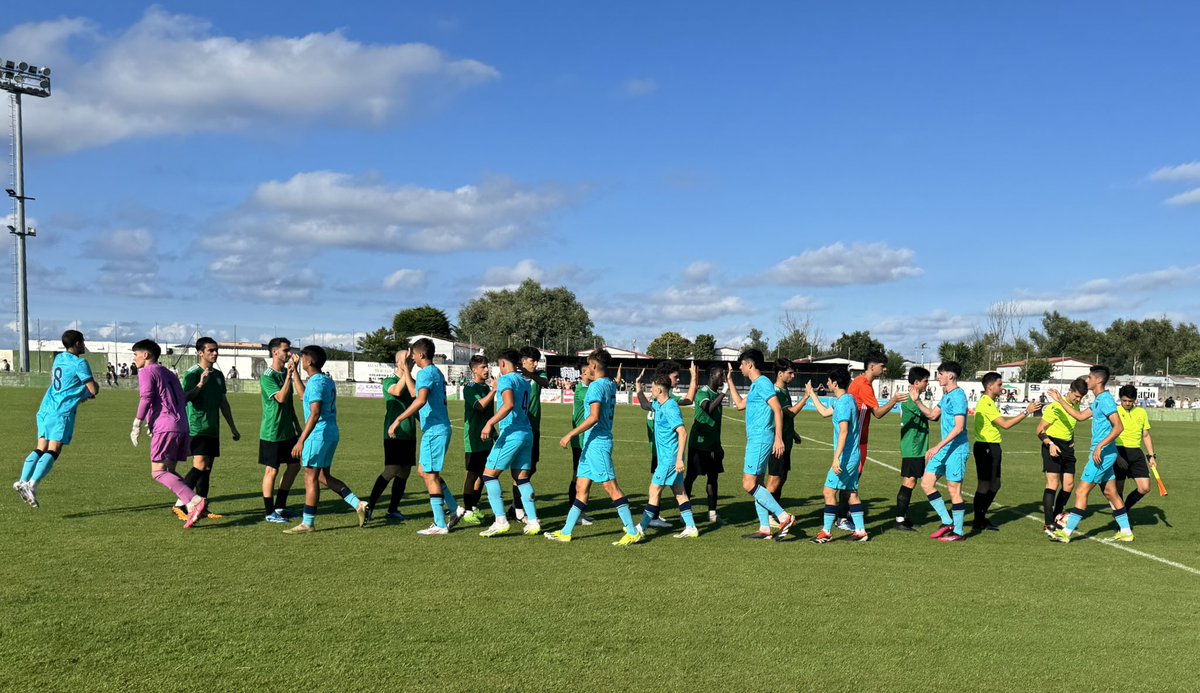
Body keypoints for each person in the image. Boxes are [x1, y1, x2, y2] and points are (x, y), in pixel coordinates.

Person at [544, 349, 643, 544]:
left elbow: (594, 417)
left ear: (594, 366)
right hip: (591, 444)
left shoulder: (597, 387)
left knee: (611, 487)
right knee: (581, 487)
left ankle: (632, 531)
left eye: (588, 366)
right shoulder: (609, 385)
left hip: (598, 443)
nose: (586, 369)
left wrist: (570, 434)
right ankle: (566, 531)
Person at [282, 345, 368, 534]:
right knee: (323, 476)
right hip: (330, 433)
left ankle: (308, 522)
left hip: (317, 435)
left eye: (302, 358)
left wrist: (300, 440)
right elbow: (303, 396)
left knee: (310, 477)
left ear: (309, 361)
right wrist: (294, 372)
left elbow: (314, 413)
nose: (300, 360)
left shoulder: (315, 383)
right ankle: (358, 504)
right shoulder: (325, 380)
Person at [13, 330, 99, 508]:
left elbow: (66, 384)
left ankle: (22, 481)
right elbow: (93, 389)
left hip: (46, 408)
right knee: (54, 449)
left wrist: (79, 394)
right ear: (76, 344)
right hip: (61, 411)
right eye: (82, 342)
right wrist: (87, 393)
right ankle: (32, 485)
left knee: (40, 447)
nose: (84, 346)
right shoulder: (80, 363)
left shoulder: (59, 358)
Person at [388, 338, 462, 536]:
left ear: (420, 354)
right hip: (438, 428)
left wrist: (398, 419)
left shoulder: (426, 373)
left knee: (429, 475)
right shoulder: (433, 372)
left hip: (435, 430)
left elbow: (419, 400)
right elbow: (414, 392)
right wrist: (406, 370)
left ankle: (439, 523)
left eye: (413, 354)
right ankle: (455, 508)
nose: (411, 357)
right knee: (424, 471)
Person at [129, 339, 207, 528]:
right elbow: (178, 398)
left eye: (135, 354)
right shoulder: (167, 372)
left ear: (145, 355)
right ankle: (190, 505)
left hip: (167, 426)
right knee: (169, 471)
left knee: (158, 472)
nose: (134, 358)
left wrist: (137, 423)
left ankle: (195, 501)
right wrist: (153, 422)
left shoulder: (147, 371)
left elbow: (146, 397)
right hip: (181, 426)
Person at [1049, 366, 1131, 542]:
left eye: (1090, 377)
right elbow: (1079, 416)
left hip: (1101, 455)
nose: (1087, 380)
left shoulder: (1107, 400)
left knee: (1081, 491)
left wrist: (1100, 446)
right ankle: (1126, 532)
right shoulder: (1099, 400)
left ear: (1098, 380)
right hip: (1103, 453)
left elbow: (1119, 427)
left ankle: (1066, 532)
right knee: (1110, 492)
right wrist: (1060, 400)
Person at [726, 349, 796, 540]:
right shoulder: (757, 385)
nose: (740, 368)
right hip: (756, 439)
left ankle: (784, 517)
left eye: (741, 364)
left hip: (761, 439)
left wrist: (779, 438)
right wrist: (730, 381)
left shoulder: (763, 383)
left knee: (748, 484)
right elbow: (740, 405)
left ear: (749, 364)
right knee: (758, 484)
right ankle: (765, 528)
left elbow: (777, 409)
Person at [835, 352, 904, 530]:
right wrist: (894, 400)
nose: (885, 368)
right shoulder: (864, 386)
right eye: (882, 365)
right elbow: (878, 413)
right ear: (872, 366)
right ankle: (842, 518)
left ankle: (844, 515)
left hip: (857, 439)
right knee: (851, 480)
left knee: (850, 479)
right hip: (857, 441)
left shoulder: (858, 382)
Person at [175, 337, 240, 520]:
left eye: (216, 350)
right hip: (197, 428)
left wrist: (232, 428)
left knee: (207, 469)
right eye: (211, 350)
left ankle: (201, 507)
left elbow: (223, 403)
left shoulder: (219, 376)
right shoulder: (192, 374)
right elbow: (184, 398)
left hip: (213, 428)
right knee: (200, 466)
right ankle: (180, 503)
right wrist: (200, 385)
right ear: (200, 353)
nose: (215, 353)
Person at [478, 349, 540, 537]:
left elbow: (508, 404)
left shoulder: (506, 380)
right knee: (521, 479)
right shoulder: (525, 381)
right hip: (526, 433)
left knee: (489, 475)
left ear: (503, 364)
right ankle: (533, 521)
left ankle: (500, 520)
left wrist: (489, 423)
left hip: (512, 433)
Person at [907, 361, 969, 541]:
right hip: (945, 448)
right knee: (926, 483)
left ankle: (958, 532)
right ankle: (947, 521)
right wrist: (917, 400)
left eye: (940, 374)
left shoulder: (958, 396)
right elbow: (933, 415)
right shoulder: (947, 395)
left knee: (954, 490)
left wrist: (936, 446)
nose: (938, 377)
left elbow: (959, 428)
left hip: (957, 449)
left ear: (950, 376)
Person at [971, 372, 1040, 532]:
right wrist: (1026, 412)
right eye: (1000, 384)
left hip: (993, 446)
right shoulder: (986, 403)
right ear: (990, 386)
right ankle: (978, 520)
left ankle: (981, 517)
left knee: (995, 483)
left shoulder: (989, 402)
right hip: (985, 446)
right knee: (984, 485)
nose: (1002, 387)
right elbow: (1005, 425)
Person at [634, 360, 699, 528]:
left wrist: (679, 460)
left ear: (660, 388)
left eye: (653, 387)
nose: (652, 390)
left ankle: (641, 528)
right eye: (676, 377)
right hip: (664, 455)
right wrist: (638, 386)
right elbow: (644, 404)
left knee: (654, 491)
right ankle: (691, 527)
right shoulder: (659, 403)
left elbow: (682, 431)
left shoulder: (670, 404)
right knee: (680, 492)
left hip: (669, 458)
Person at [808, 366, 867, 543]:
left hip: (846, 457)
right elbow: (825, 413)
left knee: (828, 491)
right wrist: (811, 394)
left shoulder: (843, 403)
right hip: (853, 455)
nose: (826, 384)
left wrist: (836, 458)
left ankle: (826, 531)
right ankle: (861, 531)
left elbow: (843, 431)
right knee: (851, 494)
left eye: (828, 381)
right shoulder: (848, 399)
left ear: (834, 383)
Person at [365, 350, 419, 523]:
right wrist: (406, 370)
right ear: (398, 362)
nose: (411, 360)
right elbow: (396, 391)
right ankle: (369, 507)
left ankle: (393, 509)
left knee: (404, 472)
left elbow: (416, 403)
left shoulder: (412, 382)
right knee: (391, 470)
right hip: (394, 433)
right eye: (407, 358)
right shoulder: (389, 381)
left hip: (409, 433)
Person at [259, 338, 304, 523]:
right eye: (285, 350)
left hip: (288, 431)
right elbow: (281, 398)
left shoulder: (286, 372)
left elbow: (291, 404)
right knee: (272, 470)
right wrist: (288, 376)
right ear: (275, 352)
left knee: (294, 466)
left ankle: (280, 506)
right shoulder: (267, 376)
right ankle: (269, 512)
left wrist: (297, 425)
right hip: (272, 431)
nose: (288, 353)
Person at [1036, 377, 1088, 535]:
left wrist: (1071, 441)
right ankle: (1048, 523)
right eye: (1076, 396)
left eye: (1081, 397)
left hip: (1067, 447)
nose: (1078, 399)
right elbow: (1039, 430)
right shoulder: (1055, 407)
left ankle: (1057, 515)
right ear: (1070, 391)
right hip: (1052, 444)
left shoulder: (1075, 406)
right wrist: (1050, 444)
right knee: (1052, 483)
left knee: (1069, 485)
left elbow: (1070, 426)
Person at [686, 366, 727, 524]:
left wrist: (719, 445)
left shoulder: (716, 394)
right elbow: (708, 409)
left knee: (713, 479)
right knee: (691, 477)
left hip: (714, 446)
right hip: (699, 445)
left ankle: (712, 514)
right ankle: (686, 513)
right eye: (720, 375)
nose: (723, 378)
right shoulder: (703, 392)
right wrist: (724, 392)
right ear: (711, 375)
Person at [459, 354, 496, 526]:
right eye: (483, 367)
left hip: (487, 439)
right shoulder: (469, 388)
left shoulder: (486, 389)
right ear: (474, 370)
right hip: (473, 439)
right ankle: (467, 510)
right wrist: (494, 391)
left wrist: (494, 433)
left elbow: (489, 415)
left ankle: (474, 506)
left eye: (487, 366)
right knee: (472, 475)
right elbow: (480, 407)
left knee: (484, 474)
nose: (487, 369)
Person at [893, 366, 931, 531]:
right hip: (913, 448)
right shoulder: (911, 400)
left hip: (916, 447)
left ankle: (903, 517)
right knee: (909, 481)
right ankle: (900, 519)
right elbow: (931, 414)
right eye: (925, 381)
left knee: (911, 481)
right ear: (916, 382)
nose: (927, 384)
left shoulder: (914, 399)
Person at [767, 358, 807, 512]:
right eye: (790, 373)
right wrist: (805, 397)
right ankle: (768, 515)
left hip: (786, 442)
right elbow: (789, 413)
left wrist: (793, 433)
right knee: (774, 480)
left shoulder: (784, 390)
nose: (793, 376)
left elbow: (785, 419)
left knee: (782, 478)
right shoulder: (775, 392)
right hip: (777, 444)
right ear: (780, 373)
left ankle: (776, 510)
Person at [516, 346, 549, 523]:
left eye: (537, 361)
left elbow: (545, 383)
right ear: (523, 361)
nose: (535, 364)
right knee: (521, 470)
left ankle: (516, 506)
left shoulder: (539, 376)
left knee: (532, 467)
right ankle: (518, 509)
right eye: (532, 360)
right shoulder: (515, 377)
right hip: (520, 430)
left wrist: (531, 375)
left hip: (534, 430)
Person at [1115, 384, 1157, 515]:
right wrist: (1117, 456)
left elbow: (1146, 435)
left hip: (1136, 453)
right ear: (1120, 399)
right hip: (1118, 451)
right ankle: (1121, 519)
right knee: (1118, 487)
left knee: (1144, 488)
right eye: (1124, 400)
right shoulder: (1114, 412)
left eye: (1130, 401)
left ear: (1135, 400)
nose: (1127, 403)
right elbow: (1107, 435)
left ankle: (1124, 510)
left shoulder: (1141, 412)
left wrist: (1151, 456)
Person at [566, 359, 596, 525]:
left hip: (586, 439)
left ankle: (580, 511)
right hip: (580, 440)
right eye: (592, 371)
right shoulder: (582, 391)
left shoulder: (587, 389)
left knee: (586, 476)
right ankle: (575, 512)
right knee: (578, 476)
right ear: (585, 373)